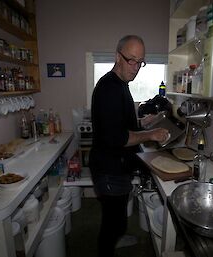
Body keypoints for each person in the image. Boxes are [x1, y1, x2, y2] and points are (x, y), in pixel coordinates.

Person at [89, 35, 170, 257]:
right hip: (109, 169)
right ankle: (108, 247)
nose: (135, 68)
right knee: (111, 221)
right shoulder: (109, 88)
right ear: (118, 56)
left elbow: (124, 123)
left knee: (119, 213)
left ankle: (119, 236)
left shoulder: (122, 84)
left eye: (140, 62)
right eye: (131, 60)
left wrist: (147, 122)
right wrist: (151, 134)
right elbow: (119, 137)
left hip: (118, 166)